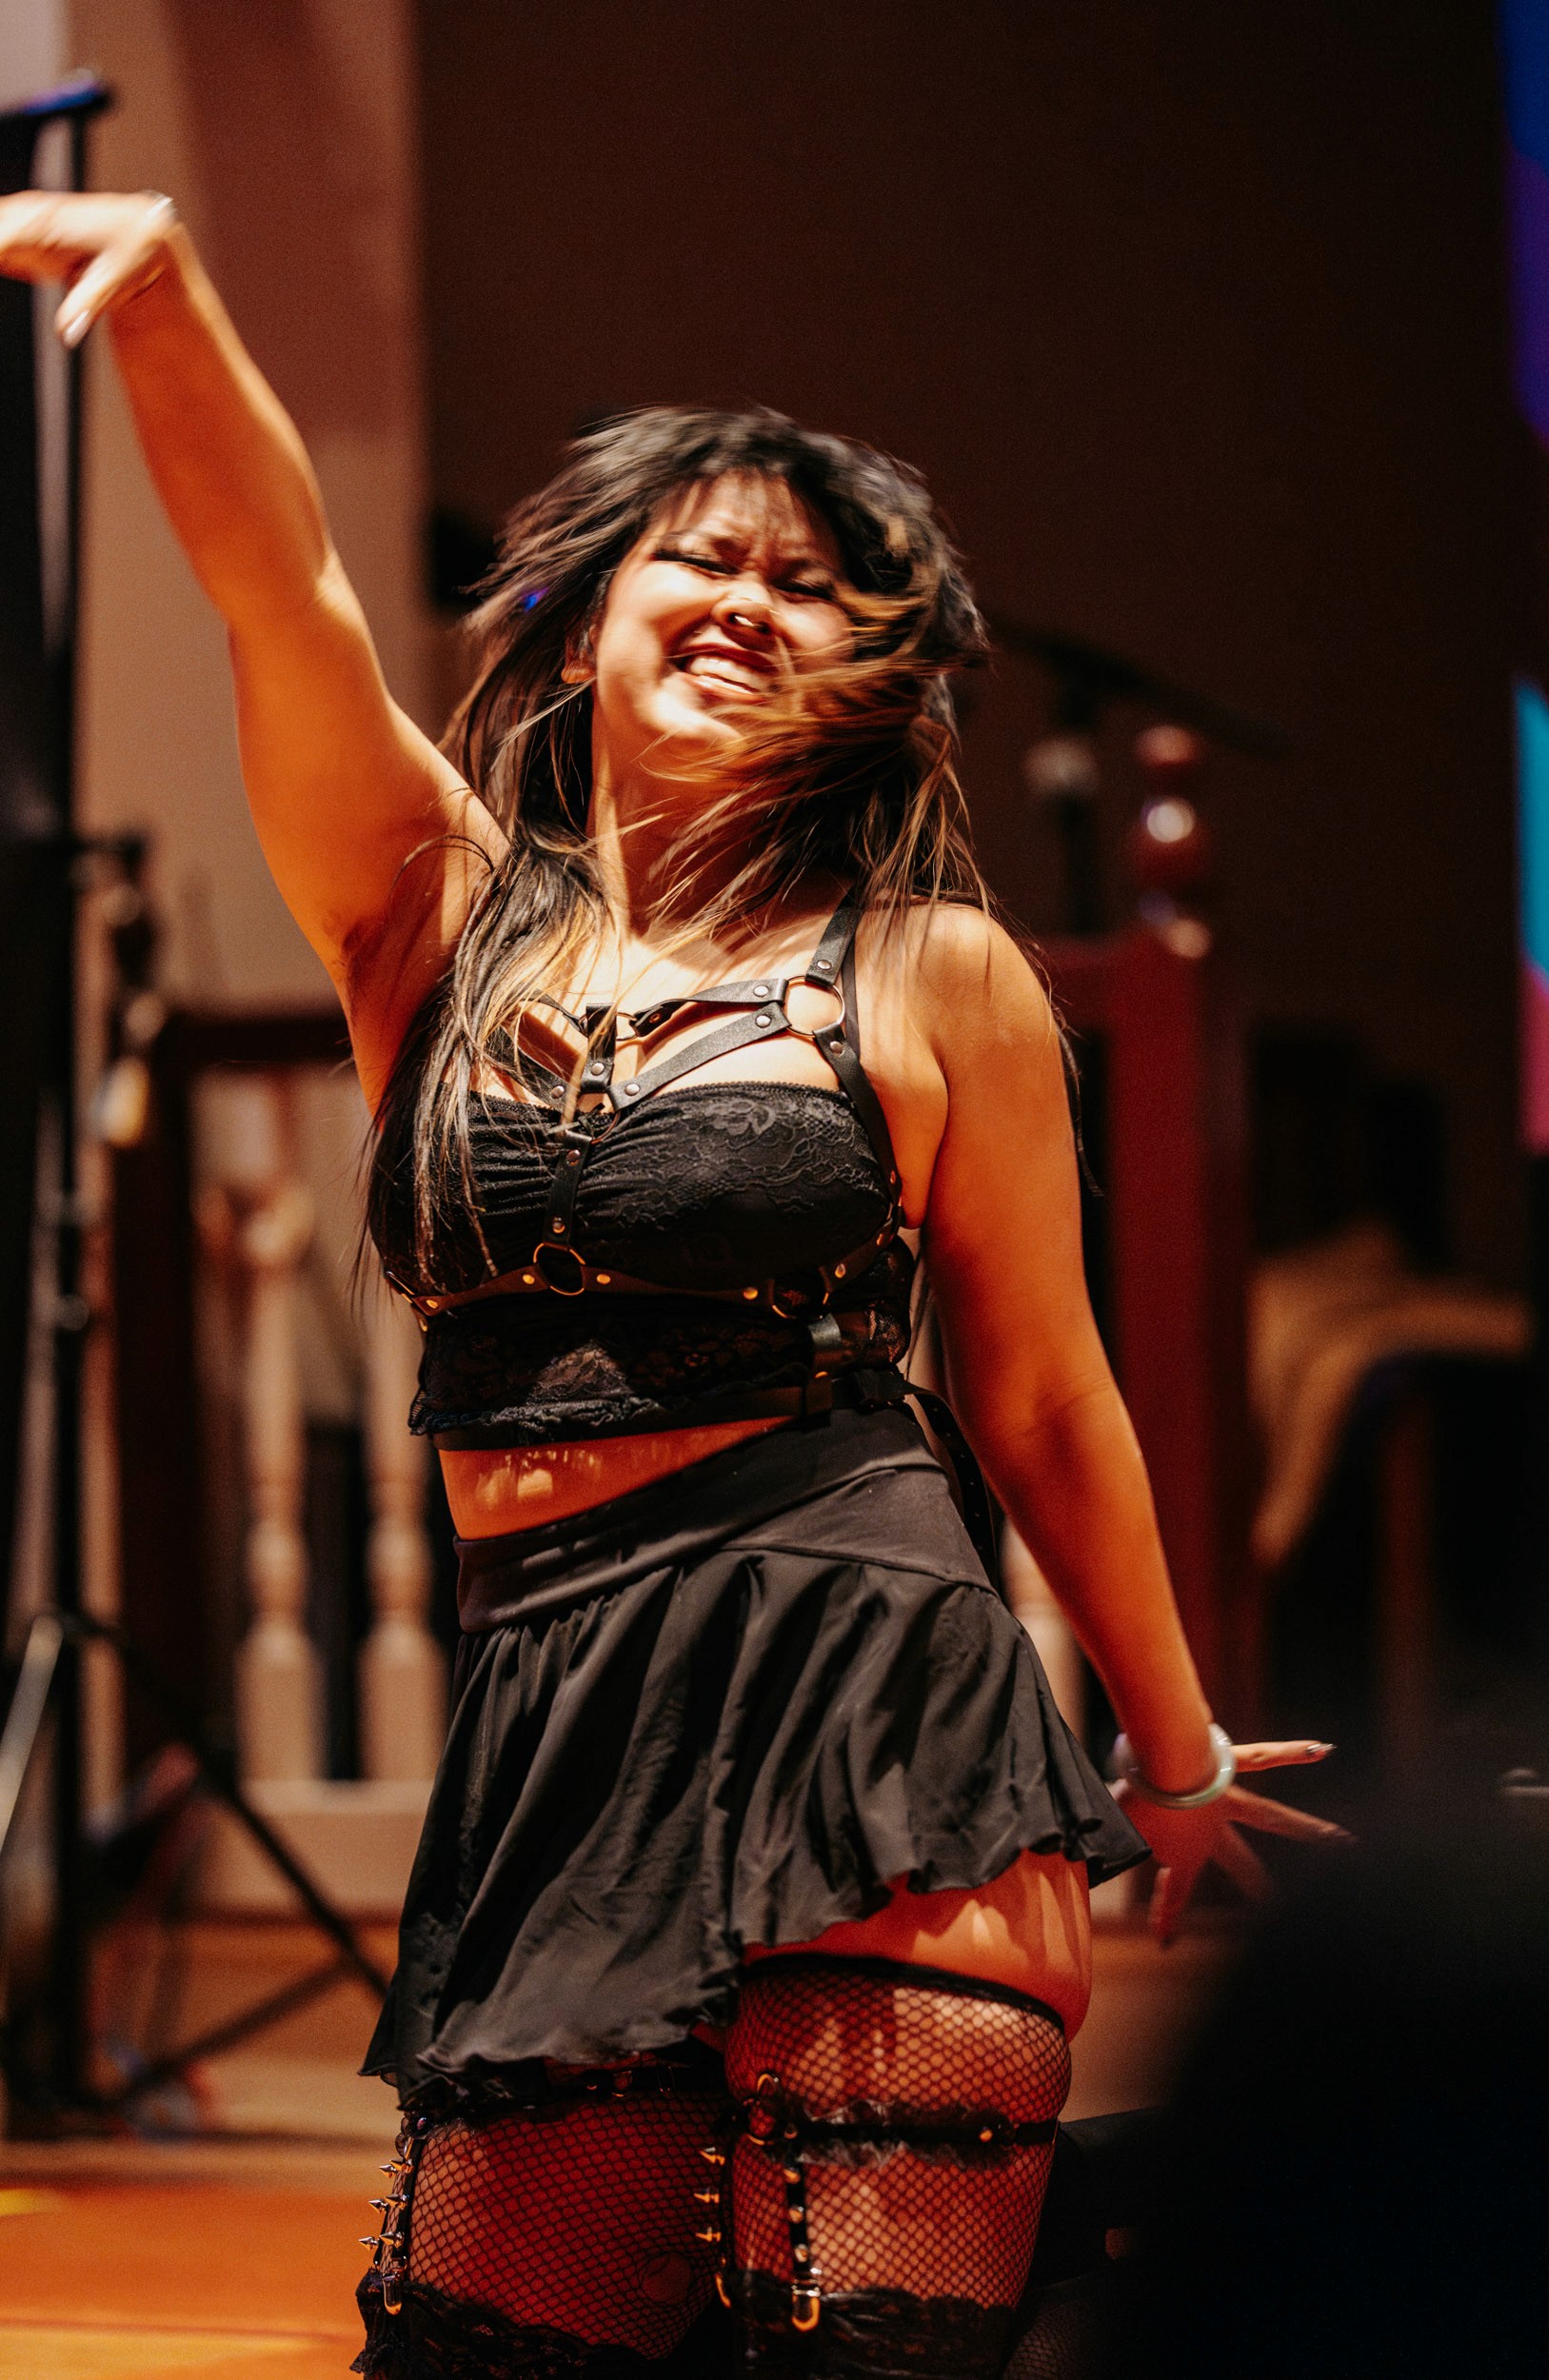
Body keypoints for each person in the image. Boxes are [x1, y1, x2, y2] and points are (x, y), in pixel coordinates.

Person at [1, 191, 1340, 2380]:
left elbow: (1043, 1390)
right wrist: (157, 293)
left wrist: (1170, 1744)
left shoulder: (934, 973)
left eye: (807, 586)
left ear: (872, 679)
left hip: (866, 1691)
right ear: (588, 610)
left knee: (859, 2352)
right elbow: (281, 590)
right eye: (699, 555)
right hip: (558, 1721)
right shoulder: (426, 914)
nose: (742, 601)